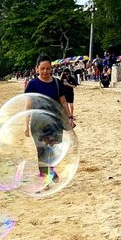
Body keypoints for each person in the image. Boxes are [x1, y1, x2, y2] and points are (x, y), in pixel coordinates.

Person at [24, 54, 75, 182]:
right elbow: (28, 105)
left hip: (55, 123)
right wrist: (26, 125)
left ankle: (50, 170)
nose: (45, 71)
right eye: (42, 68)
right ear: (37, 69)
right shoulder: (32, 84)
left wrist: (69, 117)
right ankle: (44, 180)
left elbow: (63, 102)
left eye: (48, 68)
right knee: (42, 152)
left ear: (51, 68)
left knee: (53, 151)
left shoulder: (57, 83)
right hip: (38, 124)